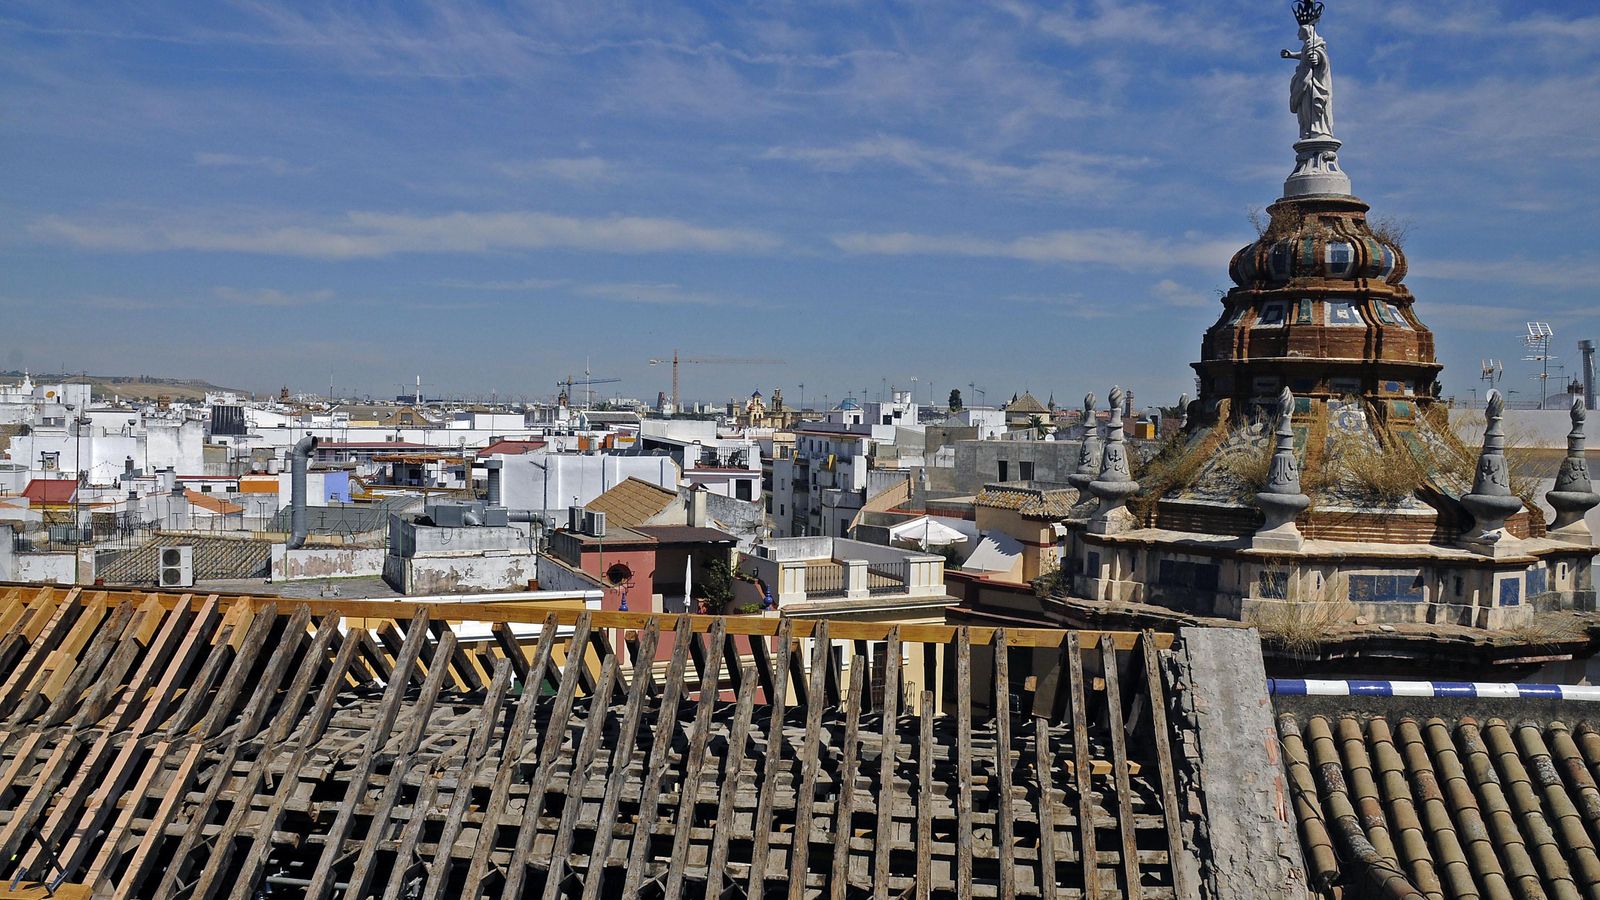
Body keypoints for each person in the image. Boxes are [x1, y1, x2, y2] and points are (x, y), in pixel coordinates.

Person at [1282, 24, 1333, 139]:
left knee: (1312, 104)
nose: (1297, 34)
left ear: (1306, 32)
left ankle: (1317, 129)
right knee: (1305, 108)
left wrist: (1316, 58)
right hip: (1304, 80)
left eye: (1299, 31)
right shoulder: (1308, 45)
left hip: (1312, 83)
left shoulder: (1316, 44)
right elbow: (1305, 54)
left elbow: (1317, 54)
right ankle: (1308, 129)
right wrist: (1291, 55)